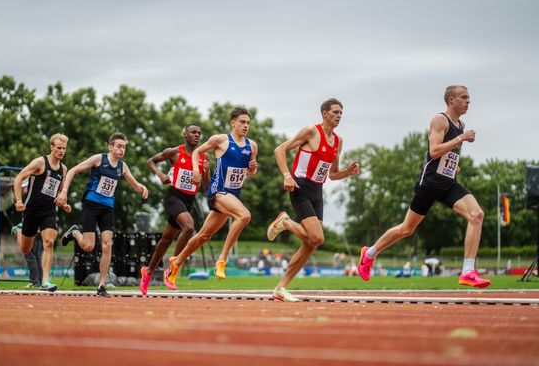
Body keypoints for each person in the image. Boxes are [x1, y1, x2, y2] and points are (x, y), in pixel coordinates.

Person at [358, 85, 491, 288]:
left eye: (469, 97)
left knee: (477, 215)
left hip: (448, 184)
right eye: (464, 97)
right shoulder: (439, 120)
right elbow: (435, 150)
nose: (468, 101)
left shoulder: (461, 124)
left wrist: (454, 165)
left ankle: (468, 271)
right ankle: (369, 254)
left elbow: (446, 155)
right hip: (429, 183)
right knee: (406, 229)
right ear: (451, 100)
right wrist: (460, 138)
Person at [266, 98, 360, 302]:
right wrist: (286, 175)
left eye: (341, 113)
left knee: (311, 244)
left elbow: (333, 174)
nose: (339, 116)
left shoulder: (338, 141)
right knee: (317, 238)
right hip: (300, 186)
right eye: (335, 112)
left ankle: (280, 288)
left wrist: (347, 172)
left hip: (318, 191)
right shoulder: (311, 132)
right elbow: (279, 150)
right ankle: (286, 222)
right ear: (325, 113)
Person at [164, 106, 258, 286]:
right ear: (233, 123)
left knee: (203, 236)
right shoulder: (221, 140)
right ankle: (222, 260)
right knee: (244, 216)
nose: (246, 126)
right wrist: (195, 170)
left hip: (233, 195)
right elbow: (198, 151)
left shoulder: (252, 146)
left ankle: (175, 263)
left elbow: (251, 172)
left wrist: (253, 168)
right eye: (242, 122)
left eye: (248, 123)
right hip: (217, 191)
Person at [56, 132, 148, 297]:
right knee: (88, 246)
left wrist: (142, 187)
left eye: (124, 147)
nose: (121, 150)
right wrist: (64, 192)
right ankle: (75, 232)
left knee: (107, 245)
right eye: (119, 146)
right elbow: (73, 171)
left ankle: (101, 285)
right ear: (110, 147)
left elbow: (134, 184)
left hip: (108, 208)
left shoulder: (123, 166)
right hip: (91, 205)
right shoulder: (99, 159)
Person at [139, 124, 211, 295]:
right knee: (189, 227)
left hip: (189, 201)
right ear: (184, 134)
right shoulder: (174, 152)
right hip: (173, 197)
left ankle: (147, 272)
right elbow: (151, 161)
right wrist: (161, 175)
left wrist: (206, 173)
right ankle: (173, 267)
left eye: (199, 133)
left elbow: (206, 188)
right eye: (193, 132)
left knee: (166, 239)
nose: (197, 135)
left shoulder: (203, 156)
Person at [13, 133, 71, 292]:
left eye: (64, 148)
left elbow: (59, 192)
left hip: (49, 211)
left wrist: (64, 203)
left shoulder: (63, 169)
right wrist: (18, 201)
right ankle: (19, 229)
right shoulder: (39, 162)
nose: (61, 151)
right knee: (25, 249)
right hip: (31, 211)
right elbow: (18, 178)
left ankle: (45, 281)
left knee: (49, 242)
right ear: (51, 147)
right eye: (59, 148)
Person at [11, 223, 43, 287]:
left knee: (30, 257)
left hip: (31, 231)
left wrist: (19, 227)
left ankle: (34, 282)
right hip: (39, 231)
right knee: (37, 257)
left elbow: (29, 217)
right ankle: (39, 281)